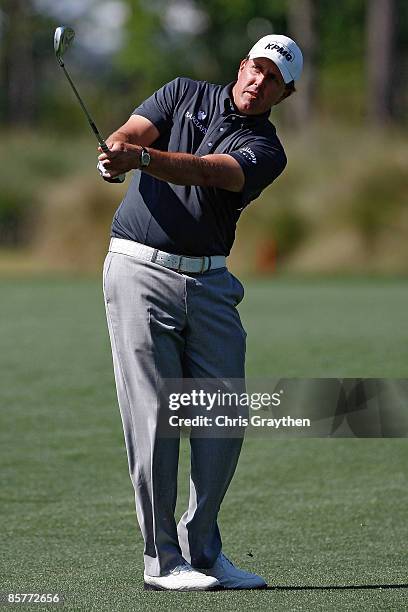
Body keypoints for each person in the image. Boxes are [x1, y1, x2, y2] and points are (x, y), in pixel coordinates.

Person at [99, 34, 303, 591]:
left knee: (223, 416)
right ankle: (162, 561)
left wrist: (138, 158)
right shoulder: (181, 91)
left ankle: (203, 550)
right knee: (155, 417)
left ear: (284, 94)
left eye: (274, 79)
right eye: (256, 68)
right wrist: (116, 152)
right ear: (242, 66)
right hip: (138, 270)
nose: (259, 81)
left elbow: (212, 172)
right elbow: (133, 131)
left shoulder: (267, 149)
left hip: (210, 282)